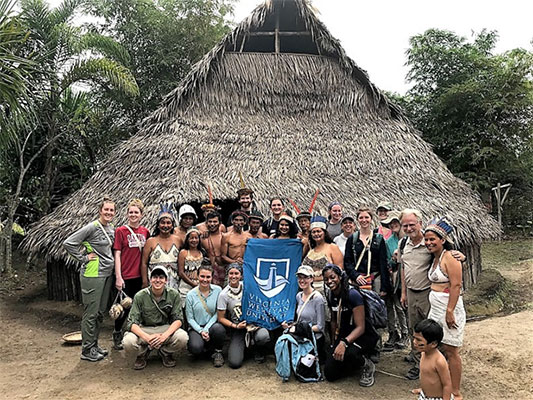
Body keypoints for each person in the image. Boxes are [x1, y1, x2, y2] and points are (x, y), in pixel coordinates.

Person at [399, 209, 465, 380]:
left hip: (429, 294)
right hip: (413, 293)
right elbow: (403, 268)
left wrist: (461, 257)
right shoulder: (403, 244)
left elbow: (453, 272)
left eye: (412, 224)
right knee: (417, 330)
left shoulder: (431, 244)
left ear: (420, 223)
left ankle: (442, 371)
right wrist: (404, 292)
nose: (408, 228)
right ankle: (420, 366)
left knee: (435, 336)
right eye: (405, 225)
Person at [63, 197, 116, 362]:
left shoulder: (111, 228)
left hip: (107, 274)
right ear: (100, 210)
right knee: (91, 313)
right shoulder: (91, 227)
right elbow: (69, 243)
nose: (108, 212)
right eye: (106, 209)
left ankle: (94, 345)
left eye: (111, 210)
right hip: (93, 274)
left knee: (100, 312)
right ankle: (87, 349)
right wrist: (84, 258)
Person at [425, 217, 465, 400]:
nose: (428, 242)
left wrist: (450, 311)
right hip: (436, 309)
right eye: (427, 239)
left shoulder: (451, 258)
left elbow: (456, 285)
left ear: (442, 240)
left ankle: (455, 391)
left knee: (451, 349)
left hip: (449, 308)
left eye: (432, 239)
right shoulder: (434, 258)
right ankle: (435, 387)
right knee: (434, 346)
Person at [322, 264, 379, 386]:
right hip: (345, 334)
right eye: (326, 279)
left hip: (363, 335)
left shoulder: (352, 295)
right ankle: (352, 363)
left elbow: (361, 327)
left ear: (340, 277)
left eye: (332, 277)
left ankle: (367, 364)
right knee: (329, 373)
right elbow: (333, 320)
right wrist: (334, 343)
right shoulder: (331, 295)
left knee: (350, 353)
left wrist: (344, 343)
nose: (329, 281)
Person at [123, 266, 189, 370]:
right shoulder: (140, 296)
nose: (158, 280)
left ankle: (165, 352)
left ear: (166, 280)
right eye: (155, 277)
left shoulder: (174, 294)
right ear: (150, 279)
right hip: (145, 329)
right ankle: (142, 354)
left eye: (161, 277)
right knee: (128, 342)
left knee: (182, 337)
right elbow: (131, 323)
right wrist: (147, 338)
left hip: (164, 328)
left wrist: (164, 336)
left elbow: (178, 320)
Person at [112, 199, 150, 350]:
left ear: (141, 215)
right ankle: (117, 332)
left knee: (140, 306)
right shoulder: (121, 231)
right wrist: (118, 276)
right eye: (131, 212)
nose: (133, 215)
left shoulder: (145, 232)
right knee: (124, 307)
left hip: (140, 276)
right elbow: (117, 254)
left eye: (136, 212)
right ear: (127, 214)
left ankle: (137, 335)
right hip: (126, 276)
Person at [217, 263, 270, 368]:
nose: (233, 276)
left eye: (236, 273)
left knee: (263, 335)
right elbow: (221, 318)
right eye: (231, 273)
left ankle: (257, 349)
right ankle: (243, 348)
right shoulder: (223, 295)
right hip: (238, 327)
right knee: (234, 363)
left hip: (254, 324)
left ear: (241, 275)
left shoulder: (248, 286)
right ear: (227, 275)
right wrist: (235, 326)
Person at [282, 265, 326, 361]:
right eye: (300, 277)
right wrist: (290, 326)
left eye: (306, 277)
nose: (302, 280)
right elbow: (299, 320)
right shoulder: (298, 296)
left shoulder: (318, 298)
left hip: (313, 337)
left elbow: (320, 326)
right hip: (300, 334)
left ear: (312, 279)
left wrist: (299, 329)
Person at [185, 265, 225, 367]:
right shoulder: (190, 295)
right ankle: (205, 350)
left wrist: (206, 329)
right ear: (197, 276)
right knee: (196, 347)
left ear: (212, 277)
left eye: (208, 277)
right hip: (196, 328)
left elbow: (218, 312)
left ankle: (217, 352)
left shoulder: (218, 290)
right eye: (202, 276)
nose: (205, 280)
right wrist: (200, 331)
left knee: (219, 329)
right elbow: (189, 318)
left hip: (212, 326)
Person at [381, 210, 409, 352]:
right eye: (390, 224)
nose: (393, 225)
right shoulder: (389, 242)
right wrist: (392, 261)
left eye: (395, 222)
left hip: (407, 277)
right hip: (394, 276)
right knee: (391, 306)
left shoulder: (408, 239)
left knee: (401, 306)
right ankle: (393, 333)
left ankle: (406, 334)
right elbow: (388, 262)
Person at [141, 204, 182, 290]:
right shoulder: (151, 241)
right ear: (158, 225)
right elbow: (144, 263)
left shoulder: (178, 240)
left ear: (172, 225)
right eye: (162, 223)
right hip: (155, 280)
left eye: (168, 223)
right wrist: (145, 281)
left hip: (174, 281)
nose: (165, 226)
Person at [414, 319, 454, 400]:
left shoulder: (439, 361)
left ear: (433, 344)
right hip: (424, 396)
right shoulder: (423, 354)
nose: (414, 342)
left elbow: (447, 384)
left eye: (418, 340)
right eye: (414, 338)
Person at [302, 216, 344, 294]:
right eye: (313, 232)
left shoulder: (332, 247)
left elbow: (339, 270)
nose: (316, 234)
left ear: (324, 232)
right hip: (309, 289)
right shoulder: (310, 249)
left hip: (327, 289)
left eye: (318, 231)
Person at [178, 227, 207, 301]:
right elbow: (181, 272)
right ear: (187, 239)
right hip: (185, 285)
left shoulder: (202, 252)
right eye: (191, 238)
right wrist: (192, 284)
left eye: (196, 238)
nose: (194, 240)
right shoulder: (183, 252)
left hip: (200, 284)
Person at [201, 211, 225, 283]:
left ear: (220, 223)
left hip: (224, 268)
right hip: (209, 271)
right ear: (206, 223)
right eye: (210, 222)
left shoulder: (225, 237)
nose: (212, 224)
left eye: (215, 222)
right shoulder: (203, 238)